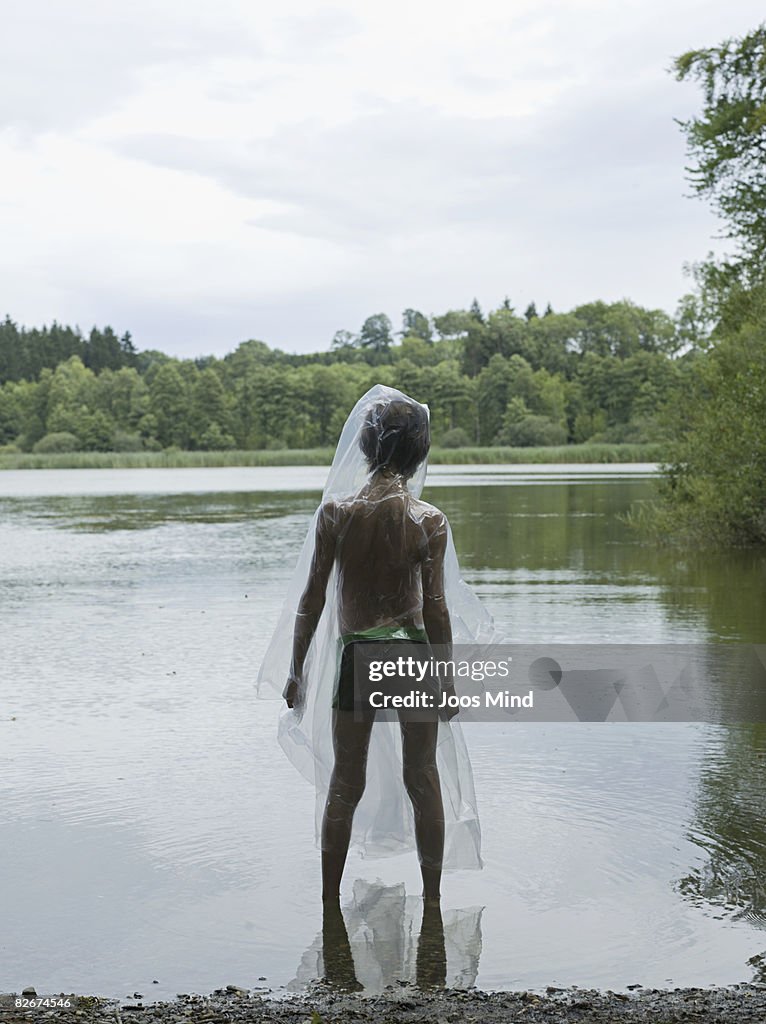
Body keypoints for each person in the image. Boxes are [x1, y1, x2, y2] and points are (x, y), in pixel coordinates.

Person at [257, 385, 493, 902]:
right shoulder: (427, 521)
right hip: (411, 658)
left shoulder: (337, 516)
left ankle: (328, 903)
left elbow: (311, 602)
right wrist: (447, 680)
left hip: (357, 658)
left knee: (345, 782)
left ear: (365, 449)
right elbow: (436, 609)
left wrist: (296, 669)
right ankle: (432, 898)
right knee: (423, 776)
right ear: (418, 452)